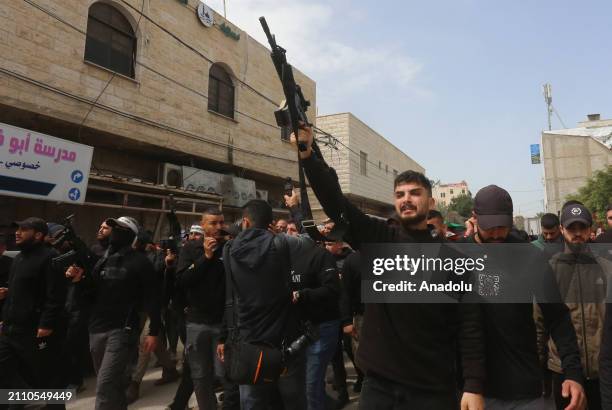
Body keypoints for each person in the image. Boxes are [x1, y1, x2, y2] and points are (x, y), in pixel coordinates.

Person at [291, 125, 485, 409]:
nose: (406, 199)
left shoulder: (453, 261)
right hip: (379, 386)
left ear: (430, 202)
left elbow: (470, 326)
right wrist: (309, 155)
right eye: (400, 194)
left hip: (432, 387)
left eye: (414, 193)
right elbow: (336, 204)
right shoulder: (378, 239)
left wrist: (473, 385)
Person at [464, 185, 585, 410]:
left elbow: (557, 318)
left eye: (503, 226)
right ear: (474, 217)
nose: (498, 233)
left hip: (524, 390)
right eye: (490, 227)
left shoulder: (530, 256)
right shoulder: (454, 256)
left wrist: (573, 373)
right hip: (470, 393)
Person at [217, 199, 311, 410]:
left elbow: (230, 297)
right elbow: (309, 238)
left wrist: (224, 336)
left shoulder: (229, 249)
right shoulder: (282, 242)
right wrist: (295, 209)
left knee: (252, 402)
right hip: (286, 341)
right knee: (294, 401)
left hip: (248, 343)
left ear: (245, 222)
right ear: (270, 223)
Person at [66, 216, 161, 410]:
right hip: (97, 328)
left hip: (122, 331)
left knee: (104, 385)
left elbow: (153, 298)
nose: (113, 231)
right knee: (113, 385)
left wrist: (154, 331)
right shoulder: (103, 259)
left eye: (119, 228)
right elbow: (92, 291)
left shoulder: (141, 263)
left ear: (130, 234)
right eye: (113, 227)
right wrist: (79, 280)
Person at [535, 204, 611, 410]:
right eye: (571, 228)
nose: (577, 233)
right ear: (562, 229)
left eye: (582, 227)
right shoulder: (549, 269)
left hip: (601, 372)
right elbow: (540, 322)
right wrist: (538, 370)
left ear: (590, 230)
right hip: (563, 371)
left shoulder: (606, 268)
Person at [175, 207, 238, 410]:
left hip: (223, 324)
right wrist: (206, 257)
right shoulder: (190, 249)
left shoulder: (230, 247)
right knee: (200, 376)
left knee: (226, 374)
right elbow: (183, 281)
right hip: (197, 323)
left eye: (222, 222)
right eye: (213, 223)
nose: (219, 227)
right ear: (203, 225)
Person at [0, 218, 66, 394]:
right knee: (7, 370)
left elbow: (55, 295)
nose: (17, 233)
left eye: (23, 230)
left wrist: (46, 324)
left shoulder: (50, 257)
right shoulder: (18, 258)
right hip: (10, 329)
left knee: (47, 377)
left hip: (33, 329)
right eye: (17, 229)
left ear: (38, 235)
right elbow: (22, 290)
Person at [127, 229, 180, 404]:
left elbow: (157, 274)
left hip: (155, 307)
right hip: (138, 307)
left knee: (146, 342)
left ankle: (135, 382)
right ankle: (170, 369)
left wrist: (161, 258)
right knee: (154, 343)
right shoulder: (129, 256)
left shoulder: (156, 257)